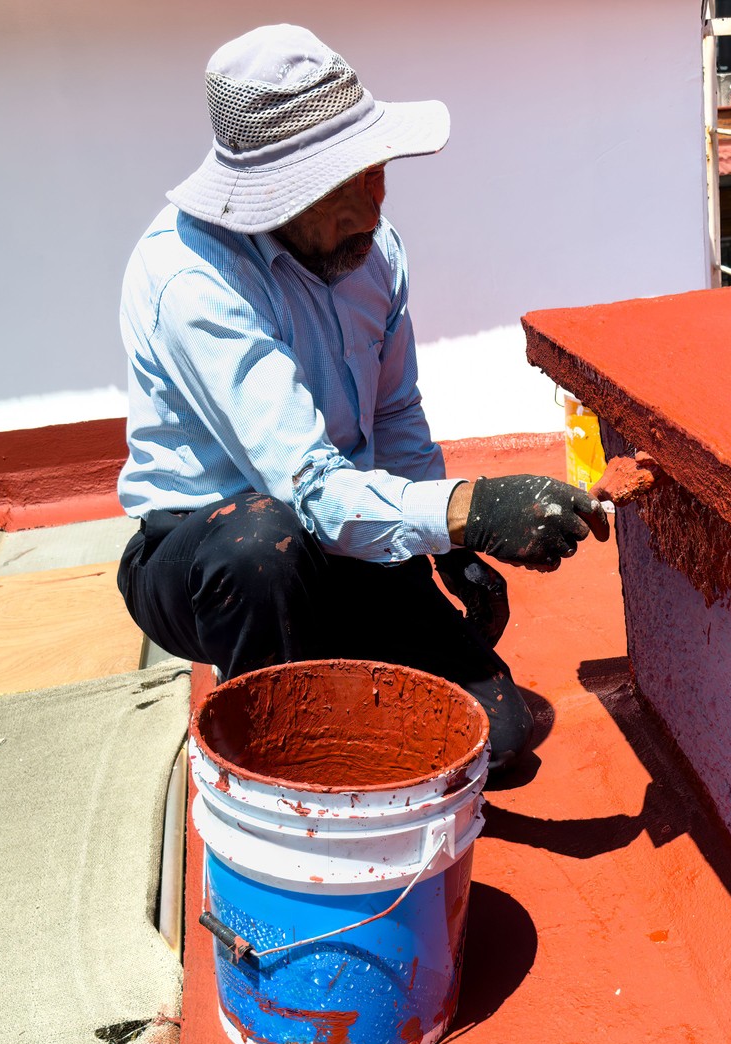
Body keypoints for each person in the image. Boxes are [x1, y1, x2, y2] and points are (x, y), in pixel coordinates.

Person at [114, 25, 606, 767]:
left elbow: (394, 417)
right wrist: (473, 511)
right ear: (276, 195)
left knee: (495, 739)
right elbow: (308, 486)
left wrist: (449, 550)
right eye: (347, 185)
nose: (375, 202)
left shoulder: (376, 254)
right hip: (207, 559)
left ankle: (332, 661)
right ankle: (272, 755)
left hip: (336, 531)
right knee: (262, 547)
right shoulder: (193, 280)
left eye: (377, 170)